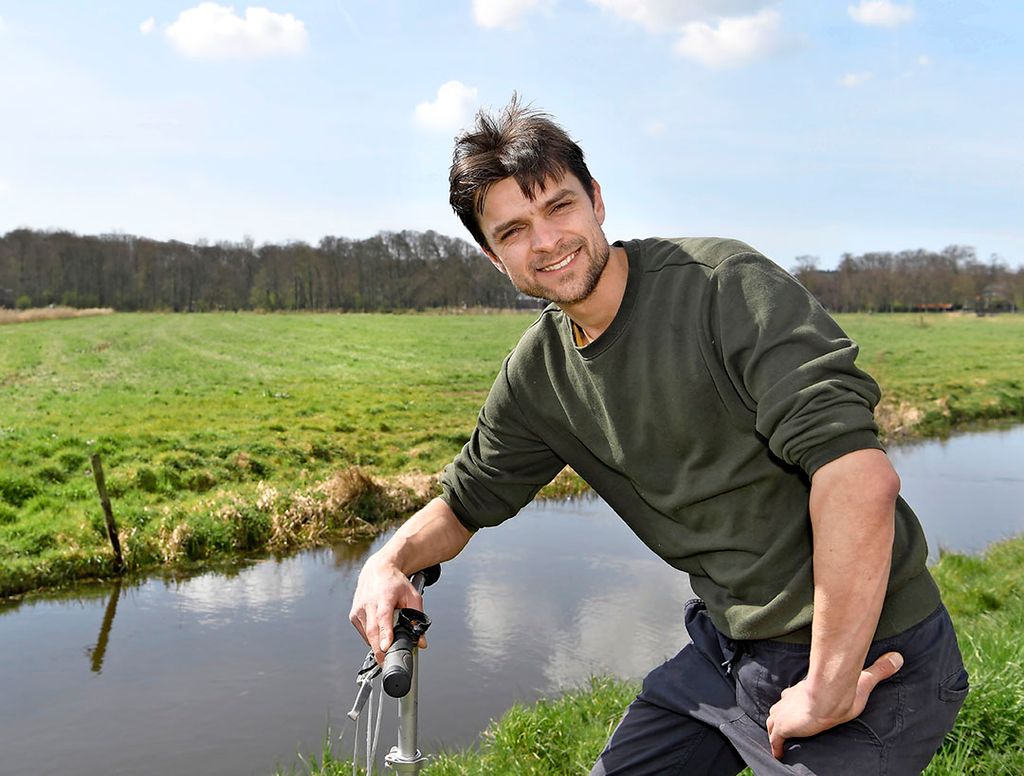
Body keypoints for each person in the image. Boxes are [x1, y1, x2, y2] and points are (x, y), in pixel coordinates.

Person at [349, 96, 968, 775]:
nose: (548, 240)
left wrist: (823, 689)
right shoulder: (538, 374)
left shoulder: (722, 286)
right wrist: (388, 561)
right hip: (727, 651)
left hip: (865, 653)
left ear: (598, 201)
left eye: (559, 207)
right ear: (496, 259)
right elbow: (467, 500)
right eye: (514, 230)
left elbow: (856, 476)